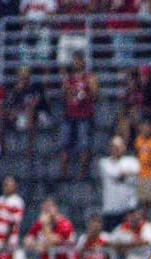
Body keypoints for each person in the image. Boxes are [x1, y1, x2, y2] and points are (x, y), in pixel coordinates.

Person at [59, 52, 99, 180]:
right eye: (74, 60)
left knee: (84, 144)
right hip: (69, 115)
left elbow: (95, 95)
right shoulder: (68, 78)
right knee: (65, 144)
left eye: (78, 60)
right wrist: (69, 91)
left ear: (82, 62)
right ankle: (63, 173)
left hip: (84, 115)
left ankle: (82, 173)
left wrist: (84, 94)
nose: (75, 63)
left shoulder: (89, 77)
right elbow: (64, 95)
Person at [99, 136, 140, 231]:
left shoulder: (132, 161)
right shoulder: (104, 162)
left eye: (119, 146)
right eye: (113, 146)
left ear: (124, 147)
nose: (116, 149)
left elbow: (137, 173)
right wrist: (127, 173)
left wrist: (125, 174)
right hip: (111, 209)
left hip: (128, 209)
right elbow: (116, 175)